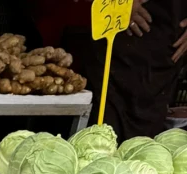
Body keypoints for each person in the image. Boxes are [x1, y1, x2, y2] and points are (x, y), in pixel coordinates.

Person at [26, 0, 187, 136]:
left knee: (145, 142)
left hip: (164, 53)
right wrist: (117, 3)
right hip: (113, 43)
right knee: (98, 131)